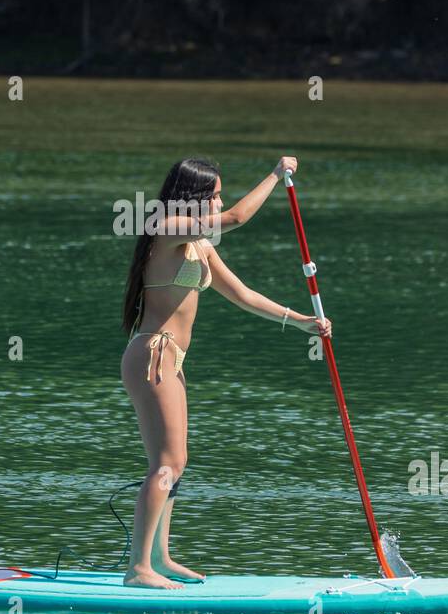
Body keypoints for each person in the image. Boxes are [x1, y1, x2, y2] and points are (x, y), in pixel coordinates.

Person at [120, 155, 332, 589]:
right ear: (192, 198)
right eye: (213, 196)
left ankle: (159, 558)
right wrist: (275, 175)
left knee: (176, 462)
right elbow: (237, 217)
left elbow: (244, 295)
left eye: (219, 197)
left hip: (172, 360)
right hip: (152, 355)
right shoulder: (164, 227)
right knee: (167, 462)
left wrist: (301, 322)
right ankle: (137, 568)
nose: (219, 203)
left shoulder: (199, 246)